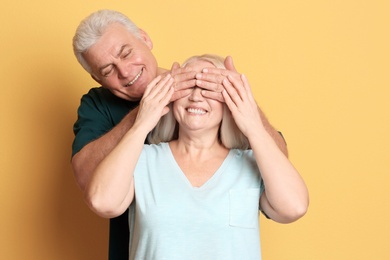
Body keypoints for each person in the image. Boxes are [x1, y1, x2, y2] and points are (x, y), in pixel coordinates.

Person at [72, 10, 288, 259]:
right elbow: (91, 184)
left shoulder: (202, 91)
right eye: (108, 69)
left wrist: (238, 96)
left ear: (144, 38)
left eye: (126, 53)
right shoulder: (98, 105)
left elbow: (279, 166)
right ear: (96, 78)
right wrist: (143, 113)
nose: (125, 71)